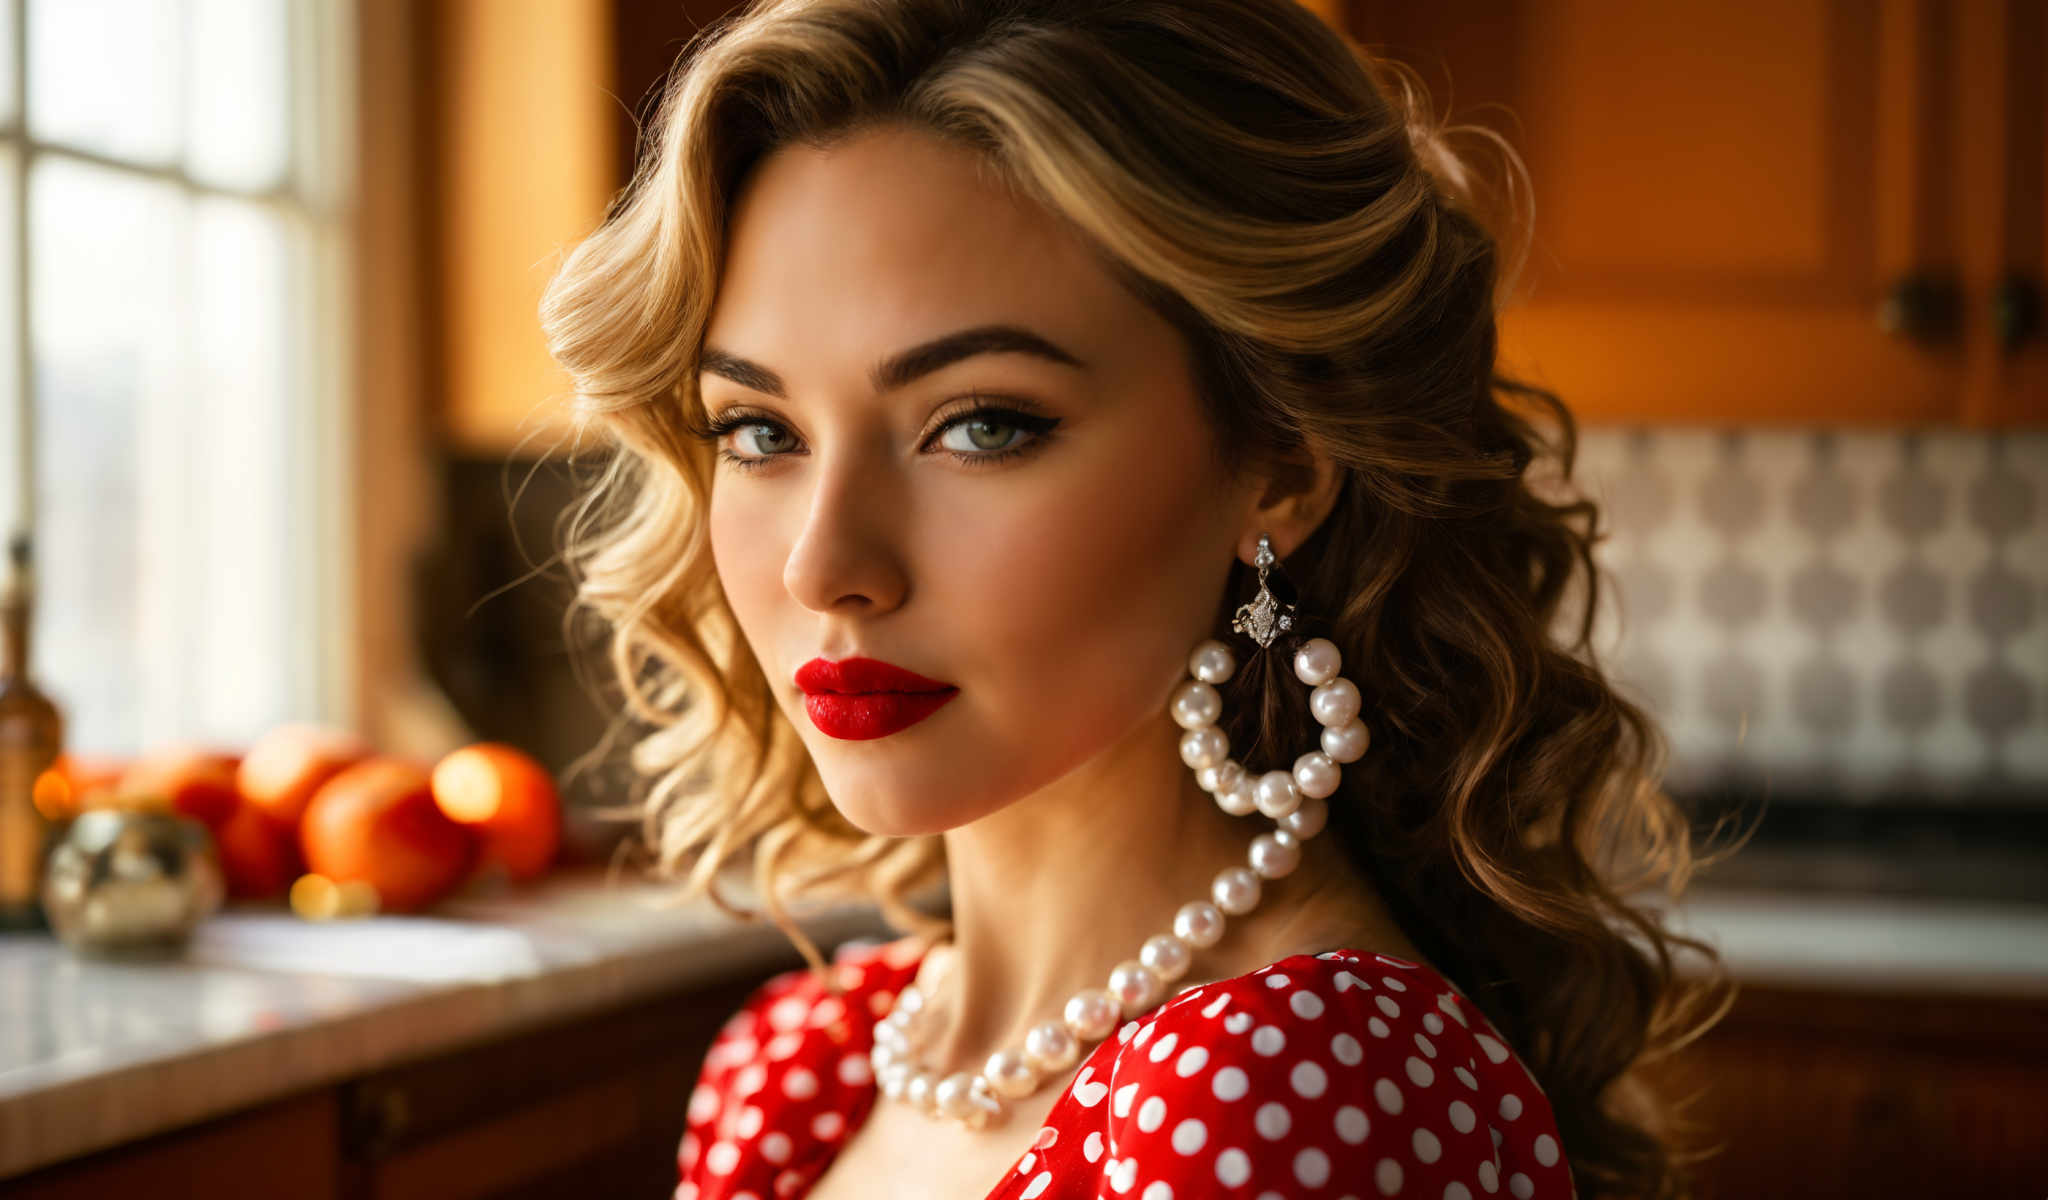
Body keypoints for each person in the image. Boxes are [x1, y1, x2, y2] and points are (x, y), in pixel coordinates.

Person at [540, 1, 1741, 1197]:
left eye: (981, 425)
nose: (821, 565)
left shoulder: (1298, 1090)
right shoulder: (803, 1067)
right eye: (757, 430)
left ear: (1279, 469)